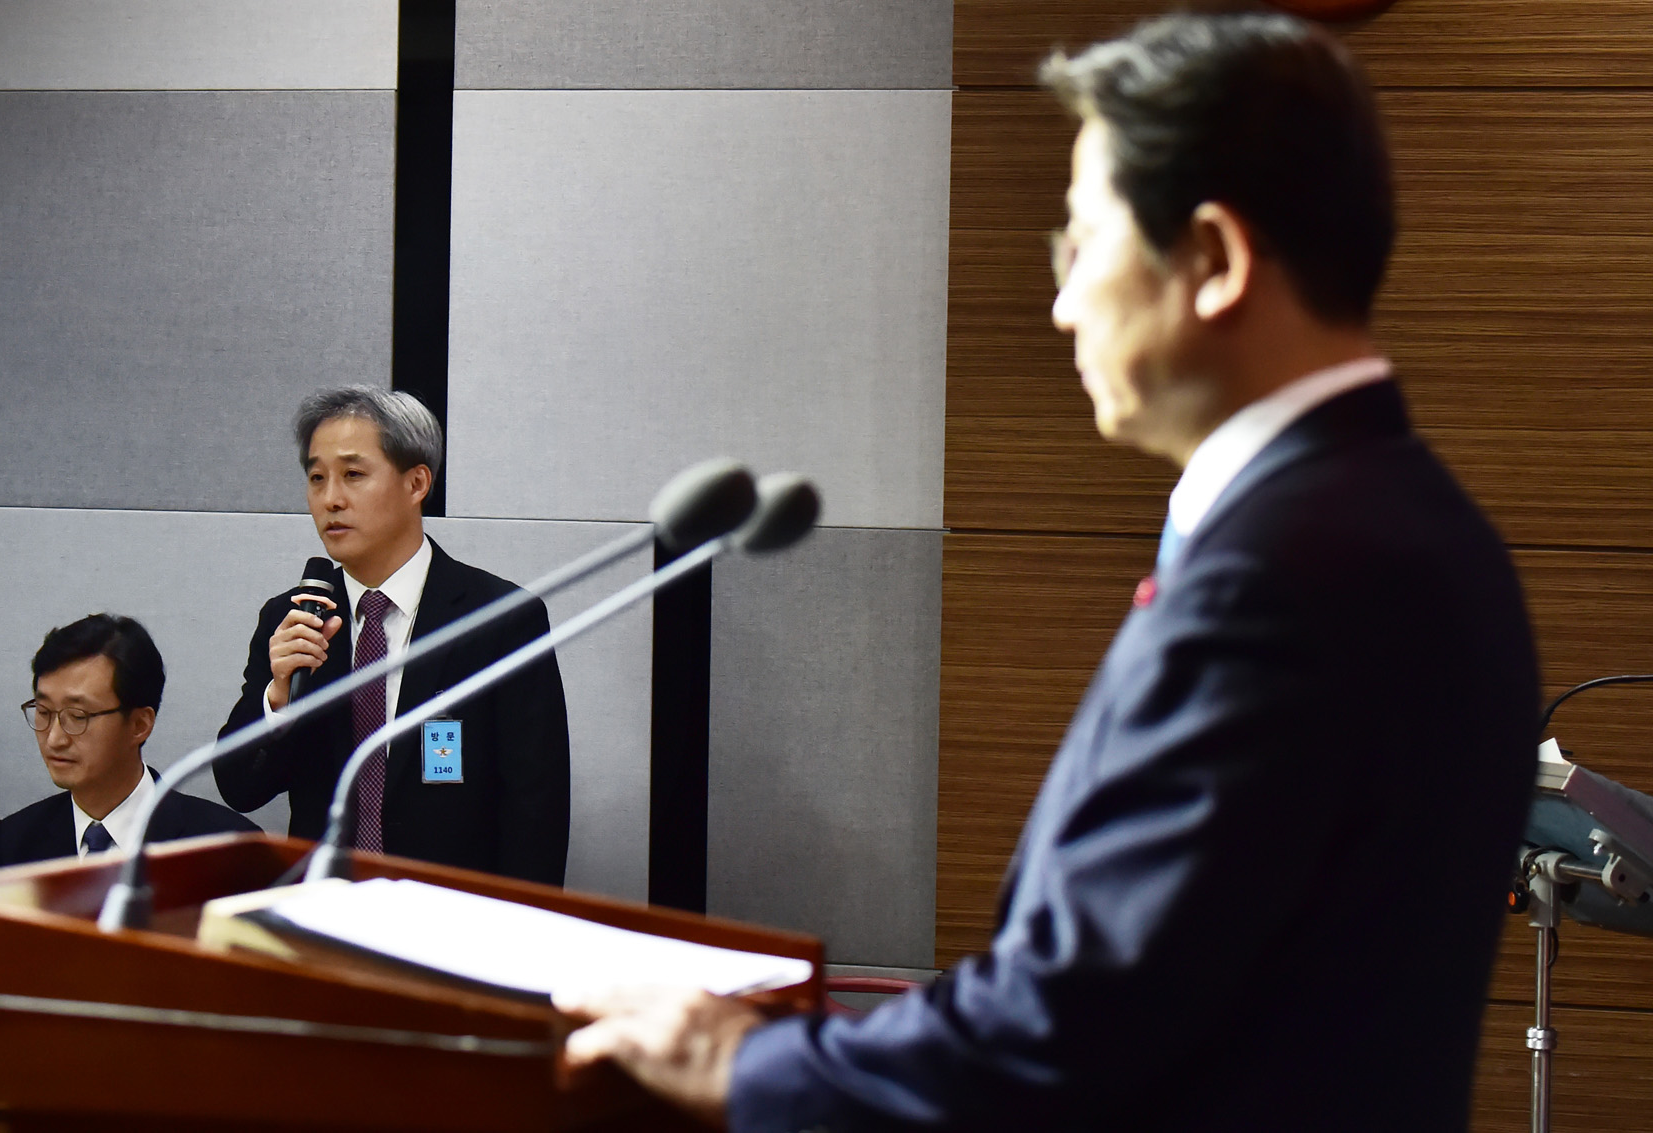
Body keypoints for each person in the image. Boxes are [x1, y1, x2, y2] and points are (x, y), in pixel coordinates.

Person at [555, 14, 1540, 1131]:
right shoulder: (1428, 528)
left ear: (1211, 261)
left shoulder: (1279, 576)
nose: (1063, 301)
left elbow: (1058, 1030)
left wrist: (737, 1061)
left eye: (1080, 245)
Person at [215, 386, 571, 885]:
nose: (331, 499)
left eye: (353, 475)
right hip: (324, 912)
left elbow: (537, 808)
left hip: (451, 916)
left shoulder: (500, 620)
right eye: (317, 478)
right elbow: (239, 788)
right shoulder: (294, 619)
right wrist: (278, 698)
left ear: (416, 483)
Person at [0, 613, 258, 869]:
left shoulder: (228, 849)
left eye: (78, 716)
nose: (55, 738)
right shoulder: (11, 848)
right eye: (44, 712)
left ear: (139, 725)